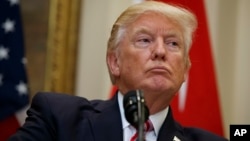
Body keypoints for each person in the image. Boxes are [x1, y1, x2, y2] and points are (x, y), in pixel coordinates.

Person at [9, 1, 228, 141]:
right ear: (115, 62)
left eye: (173, 44)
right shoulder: (58, 119)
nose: (161, 51)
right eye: (145, 40)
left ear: (185, 70)